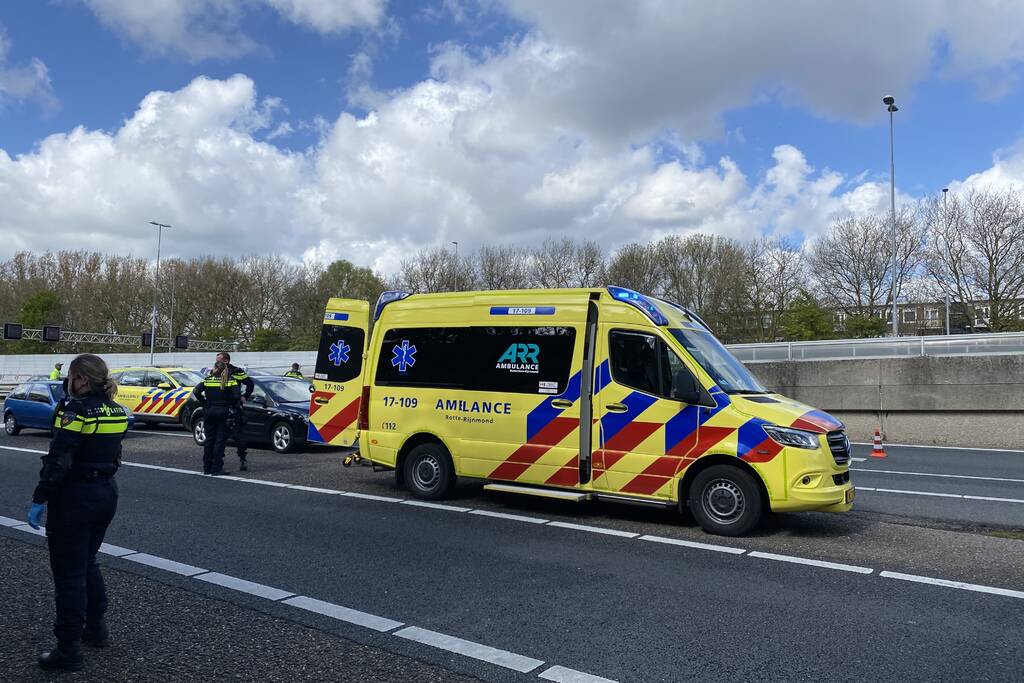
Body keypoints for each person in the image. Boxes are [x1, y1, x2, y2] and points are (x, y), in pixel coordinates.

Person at [27, 354, 129, 671]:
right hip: (105, 492)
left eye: (71, 377)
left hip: (75, 496)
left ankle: (67, 649)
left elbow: (60, 456)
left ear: (81, 379)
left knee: (69, 573)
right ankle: (96, 628)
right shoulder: (117, 411)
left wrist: (41, 497)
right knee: (88, 562)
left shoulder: (75, 411)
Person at [193, 360, 239, 476]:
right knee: (220, 441)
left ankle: (206, 467)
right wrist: (230, 404)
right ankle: (216, 468)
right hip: (223, 411)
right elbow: (236, 396)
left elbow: (196, 391)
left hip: (209, 411)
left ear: (214, 368)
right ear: (226, 369)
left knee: (209, 440)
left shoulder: (208, 380)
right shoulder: (230, 380)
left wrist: (204, 403)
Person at [215, 352, 253, 471]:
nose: (217, 362)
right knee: (220, 436)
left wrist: (245, 396)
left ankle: (242, 459)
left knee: (238, 436)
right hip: (220, 407)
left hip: (234, 407)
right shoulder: (216, 371)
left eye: (219, 360)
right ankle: (218, 462)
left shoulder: (237, 371)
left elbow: (250, 384)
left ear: (226, 361)